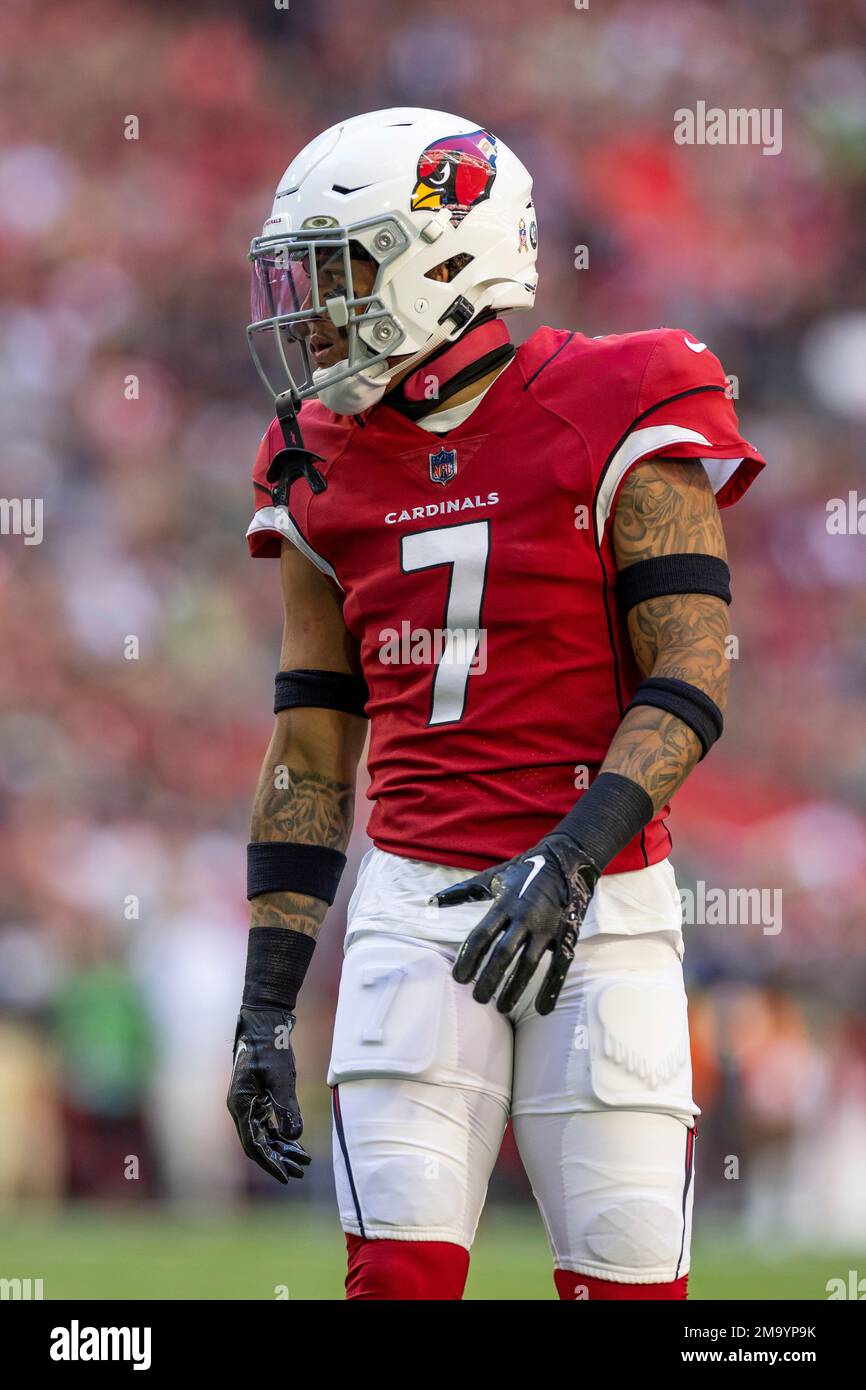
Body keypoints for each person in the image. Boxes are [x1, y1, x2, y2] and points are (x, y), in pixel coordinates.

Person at [227, 107, 765, 1301]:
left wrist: (568, 860)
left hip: (600, 903)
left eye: (337, 270)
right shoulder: (313, 453)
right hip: (412, 906)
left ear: (444, 257)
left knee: (628, 1292)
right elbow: (312, 742)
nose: (308, 311)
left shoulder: (620, 395)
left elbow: (693, 667)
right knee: (399, 1285)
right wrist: (265, 1002)